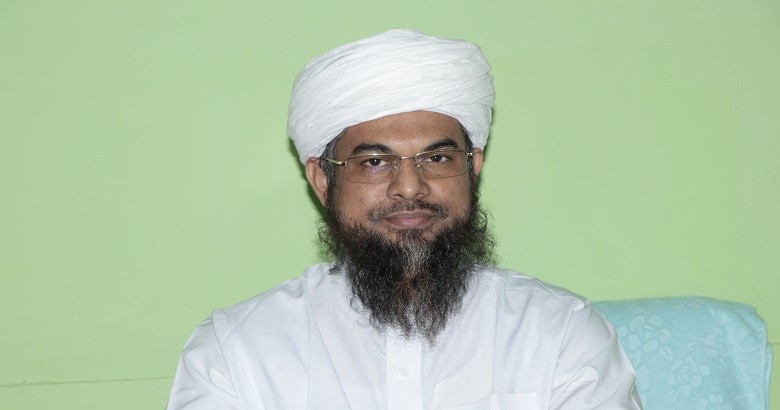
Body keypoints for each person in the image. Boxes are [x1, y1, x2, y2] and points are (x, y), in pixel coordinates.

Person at [167, 29, 642, 409]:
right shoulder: (237, 353)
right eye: (375, 162)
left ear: (473, 166)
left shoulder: (560, 336)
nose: (410, 187)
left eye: (437, 158)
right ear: (322, 179)